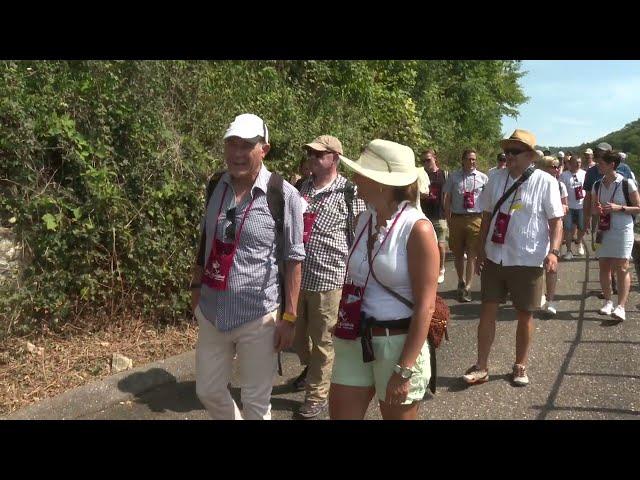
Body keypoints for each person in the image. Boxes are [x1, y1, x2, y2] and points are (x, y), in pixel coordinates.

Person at [191, 113, 307, 420]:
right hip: (213, 309)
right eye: (232, 144)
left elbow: (294, 259)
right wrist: (196, 288)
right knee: (208, 390)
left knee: (256, 402)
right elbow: (206, 240)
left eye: (246, 145)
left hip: (259, 316)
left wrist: (290, 317)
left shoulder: (283, 194)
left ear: (264, 149)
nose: (237, 153)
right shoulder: (216, 184)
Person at [329, 139, 438, 420]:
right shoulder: (365, 218)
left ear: (382, 183)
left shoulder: (417, 229)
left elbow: (425, 305)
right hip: (356, 338)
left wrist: (405, 368)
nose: (354, 179)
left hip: (398, 343)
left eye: (361, 173)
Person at [462, 129, 564, 387]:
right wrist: (480, 248)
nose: (508, 156)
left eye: (514, 152)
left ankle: (520, 364)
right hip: (496, 256)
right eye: (506, 151)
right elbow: (486, 216)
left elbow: (556, 222)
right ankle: (481, 365)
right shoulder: (495, 178)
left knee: (524, 314)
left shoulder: (545, 182)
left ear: (530, 156)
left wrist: (553, 251)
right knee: (487, 311)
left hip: (527, 259)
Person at [291, 135, 366, 419]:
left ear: (334, 158)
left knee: (324, 340)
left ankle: (317, 395)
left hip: (331, 278)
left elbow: (360, 235)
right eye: (309, 153)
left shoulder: (350, 191)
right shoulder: (300, 187)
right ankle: (314, 373)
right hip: (298, 277)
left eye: (318, 154)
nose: (311, 157)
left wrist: (357, 276)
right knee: (298, 339)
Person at [592, 151, 640, 322]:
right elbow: (592, 209)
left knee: (622, 266)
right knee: (604, 265)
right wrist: (596, 210)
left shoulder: (627, 183)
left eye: (601, 163)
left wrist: (619, 208)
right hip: (604, 229)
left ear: (612, 164)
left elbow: (638, 207)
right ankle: (607, 302)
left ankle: (621, 306)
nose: (598, 165)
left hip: (622, 230)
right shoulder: (597, 185)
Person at [443, 149, 489, 302]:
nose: (472, 162)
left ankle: (468, 286)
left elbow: (489, 200)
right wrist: (448, 218)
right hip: (457, 218)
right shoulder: (453, 177)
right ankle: (460, 281)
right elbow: (447, 198)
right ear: (462, 160)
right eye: (469, 159)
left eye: (474, 159)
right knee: (457, 253)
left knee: (472, 255)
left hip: (476, 218)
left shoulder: (483, 178)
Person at [536, 156, 568, 317]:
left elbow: (565, 206)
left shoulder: (560, 185)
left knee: (551, 266)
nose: (556, 169)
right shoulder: (534, 184)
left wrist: (563, 207)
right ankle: (539, 294)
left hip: (553, 229)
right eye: (552, 166)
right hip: (537, 230)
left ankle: (551, 300)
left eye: (557, 166)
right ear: (543, 168)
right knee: (536, 266)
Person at [420, 148, 448, 284]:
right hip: (423, 214)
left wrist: (448, 213)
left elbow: (448, 196)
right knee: (424, 245)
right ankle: (427, 269)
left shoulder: (444, 174)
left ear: (435, 158)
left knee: (441, 245)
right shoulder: (420, 175)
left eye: (428, 160)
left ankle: (441, 269)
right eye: (423, 161)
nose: (426, 163)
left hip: (439, 214)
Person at [559, 154, 587, 259]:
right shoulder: (564, 175)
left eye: (580, 162)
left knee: (582, 227)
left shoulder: (584, 174)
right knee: (568, 228)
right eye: (576, 162)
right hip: (569, 206)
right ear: (570, 164)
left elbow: (588, 189)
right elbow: (560, 191)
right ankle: (569, 251)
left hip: (582, 206)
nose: (578, 164)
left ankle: (579, 242)